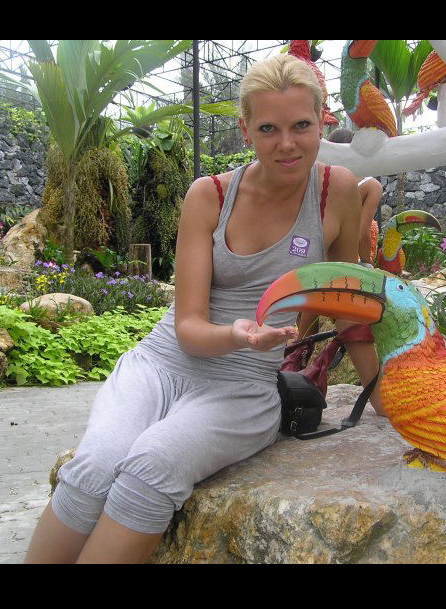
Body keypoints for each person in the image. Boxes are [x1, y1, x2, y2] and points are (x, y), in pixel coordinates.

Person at [24, 54, 381, 565]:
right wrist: (239, 333)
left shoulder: (335, 190)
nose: (287, 143)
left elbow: (347, 304)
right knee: (94, 468)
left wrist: (383, 396)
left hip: (242, 388)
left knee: (151, 467)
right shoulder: (209, 196)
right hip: (162, 364)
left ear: (322, 121)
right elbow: (188, 327)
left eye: (301, 125)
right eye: (269, 128)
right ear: (245, 130)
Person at [326, 128, 383, 265]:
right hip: (346, 261)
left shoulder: (320, 179)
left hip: (315, 255)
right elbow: (361, 234)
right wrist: (367, 262)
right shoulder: (371, 186)